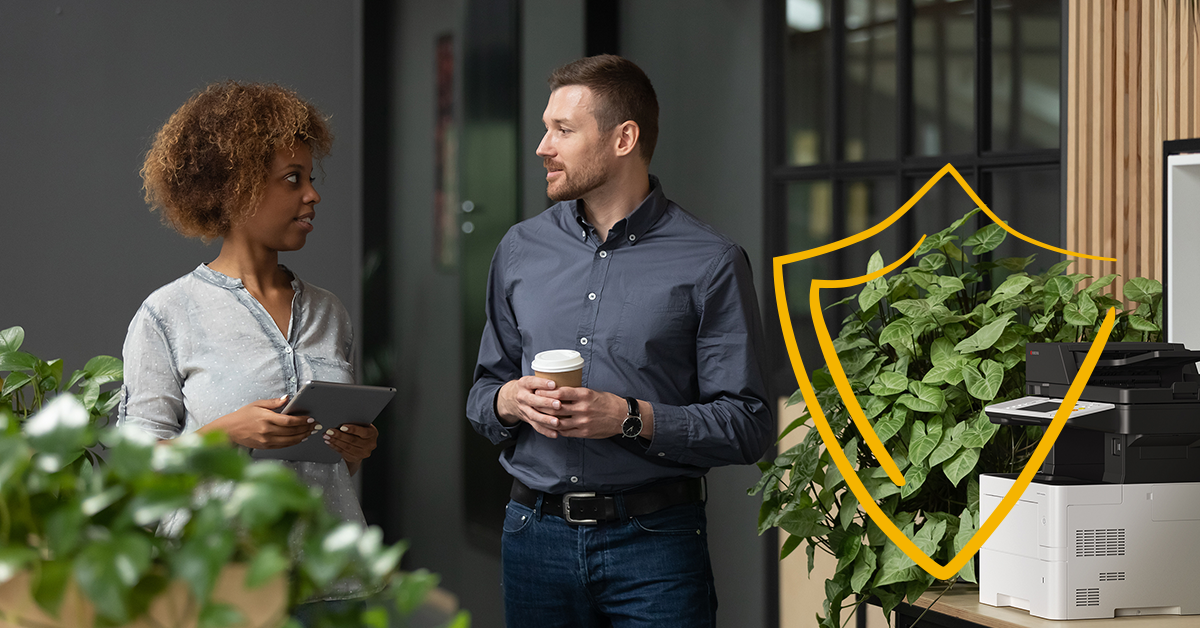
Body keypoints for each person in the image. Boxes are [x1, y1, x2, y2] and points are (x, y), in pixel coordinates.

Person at [466, 55, 774, 628]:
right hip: (533, 537)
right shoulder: (518, 249)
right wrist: (510, 401)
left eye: (563, 130)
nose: (543, 146)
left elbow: (748, 424)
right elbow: (484, 392)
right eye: (546, 127)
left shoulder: (711, 261)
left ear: (624, 138)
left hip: (655, 546)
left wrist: (627, 417)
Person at [117, 82, 377, 603]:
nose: (313, 194)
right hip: (224, 588)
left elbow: (332, 464)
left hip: (332, 584)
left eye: (310, 176)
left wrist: (356, 449)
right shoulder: (167, 315)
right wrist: (225, 434)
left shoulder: (330, 311)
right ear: (236, 188)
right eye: (292, 179)